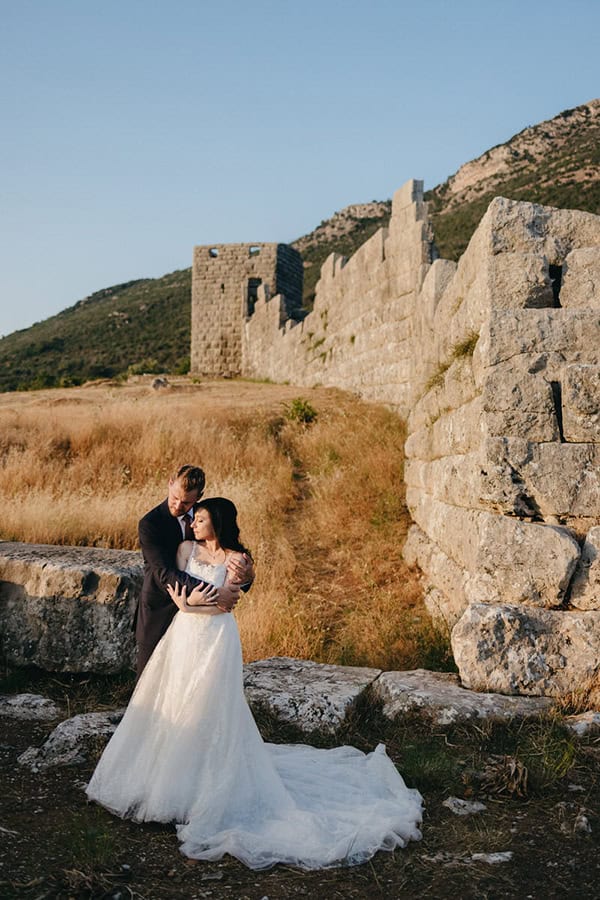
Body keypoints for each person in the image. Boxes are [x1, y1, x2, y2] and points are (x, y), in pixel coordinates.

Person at [87, 497, 423, 871]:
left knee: (211, 706)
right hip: (183, 637)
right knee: (176, 700)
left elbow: (225, 604)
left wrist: (194, 602)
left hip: (216, 638)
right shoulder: (185, 549)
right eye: (193, 518)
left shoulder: (237, 559)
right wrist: (191, 604)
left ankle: (204, 788)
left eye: (200, 518)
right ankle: (168, 784)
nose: (193, 523)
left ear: (218, 522)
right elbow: (178, 598)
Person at [135, 465, 253, 676]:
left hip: (203, 622)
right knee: (151, 679)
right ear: (170, 483)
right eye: (174, 497)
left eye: (186, 502)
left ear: (199, 496)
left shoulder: (206, 515)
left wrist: (247, 574)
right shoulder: (150, 524)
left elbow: (226, 547)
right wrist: (216, 594)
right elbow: (164, 573)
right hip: (160, 609)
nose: (178, 505)